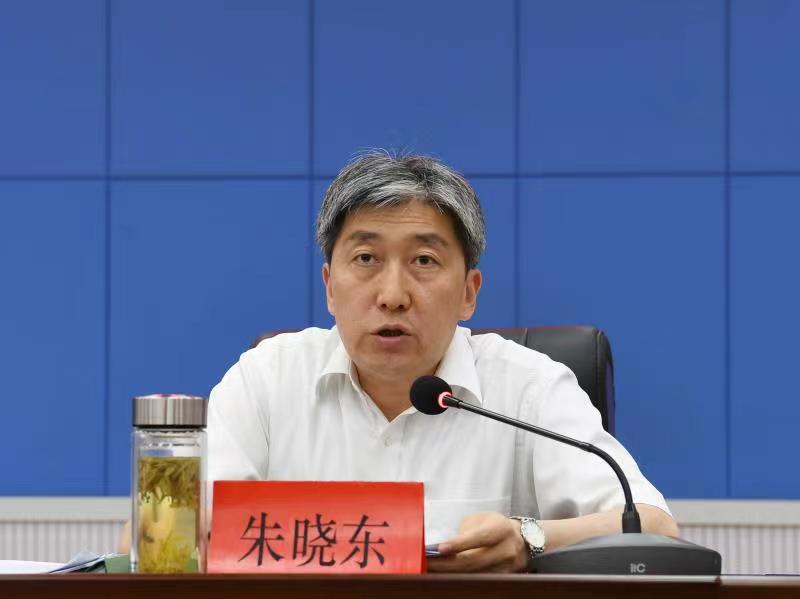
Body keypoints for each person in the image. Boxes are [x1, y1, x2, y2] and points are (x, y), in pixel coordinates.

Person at [121, 152, 677, 571]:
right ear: (330, 287)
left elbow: (653, 527)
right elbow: (151, 538)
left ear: (469, 292)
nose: (392, 295)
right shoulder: (267, 379)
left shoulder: (528, 388)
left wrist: (529, 538)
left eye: (424, 261)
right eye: (366, 258)